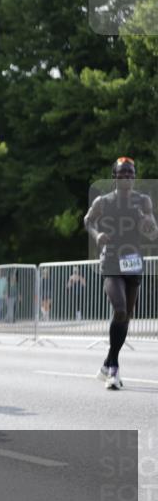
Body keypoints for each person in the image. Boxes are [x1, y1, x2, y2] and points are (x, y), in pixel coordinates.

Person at [84, 157, 157, 389]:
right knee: (120, 309)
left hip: (133, 259)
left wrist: (147, 222)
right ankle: (114, 369)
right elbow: (88, 220)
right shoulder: (102, 201)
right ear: (114, 176)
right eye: (123, 173)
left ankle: (108, 363)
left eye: (131, 173)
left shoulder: (143, 201)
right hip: (111, 259)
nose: (127, 177)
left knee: (126, 316)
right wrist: (97, 236)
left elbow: (153, 231)